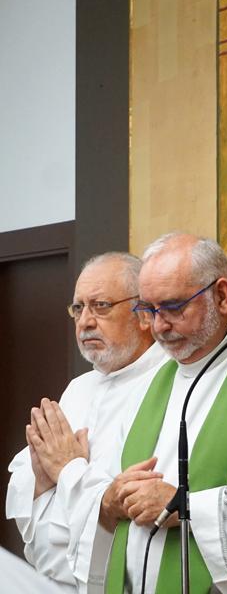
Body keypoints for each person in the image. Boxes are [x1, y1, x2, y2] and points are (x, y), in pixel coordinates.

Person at [102, 233, 227, 593]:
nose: (159, 326)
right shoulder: (150, 383)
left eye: (173, 307)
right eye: (149, 310)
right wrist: (112, 496)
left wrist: (187, 507)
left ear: (221, 296)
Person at [6, 252, 166, 592]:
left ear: (144, 314)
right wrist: (42, 478)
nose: (85, 321)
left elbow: (130, 494)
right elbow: (27, 480)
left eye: (101, 306)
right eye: (78, 308)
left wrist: (68, 469)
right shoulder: (79, 388)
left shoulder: (170, 381)